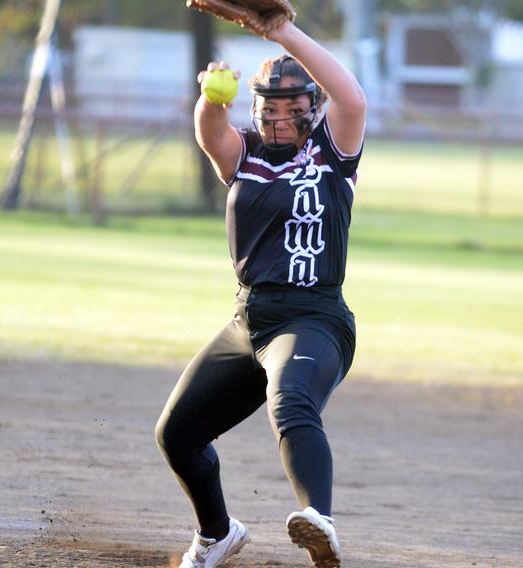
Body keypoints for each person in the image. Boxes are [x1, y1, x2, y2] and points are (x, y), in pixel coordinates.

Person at [155, 15, 366, 568]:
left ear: (310, 110)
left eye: (290, 109)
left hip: (314, 317)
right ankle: (216, 534)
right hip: (249, 319)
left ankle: (318, 518)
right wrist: (212, 96)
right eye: (268, 109)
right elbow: (210, 132)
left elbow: (351, 95)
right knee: (177, 434)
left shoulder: (332, 154)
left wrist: (281, 33)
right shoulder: (244, 154)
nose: (278, 119)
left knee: (291, 401)